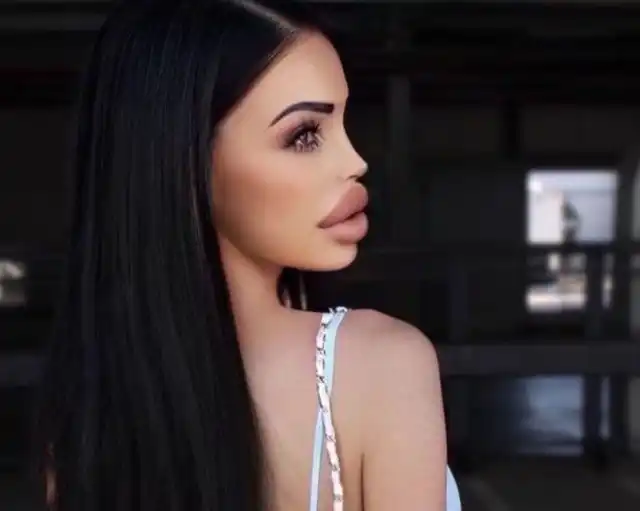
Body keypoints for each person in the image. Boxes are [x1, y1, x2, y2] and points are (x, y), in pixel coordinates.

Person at [34, 1, 461, 510]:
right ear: (183, 162)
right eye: (304, 135)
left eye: (344, 124)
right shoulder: (384, 363)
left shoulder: (86, 410)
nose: (356, 161)